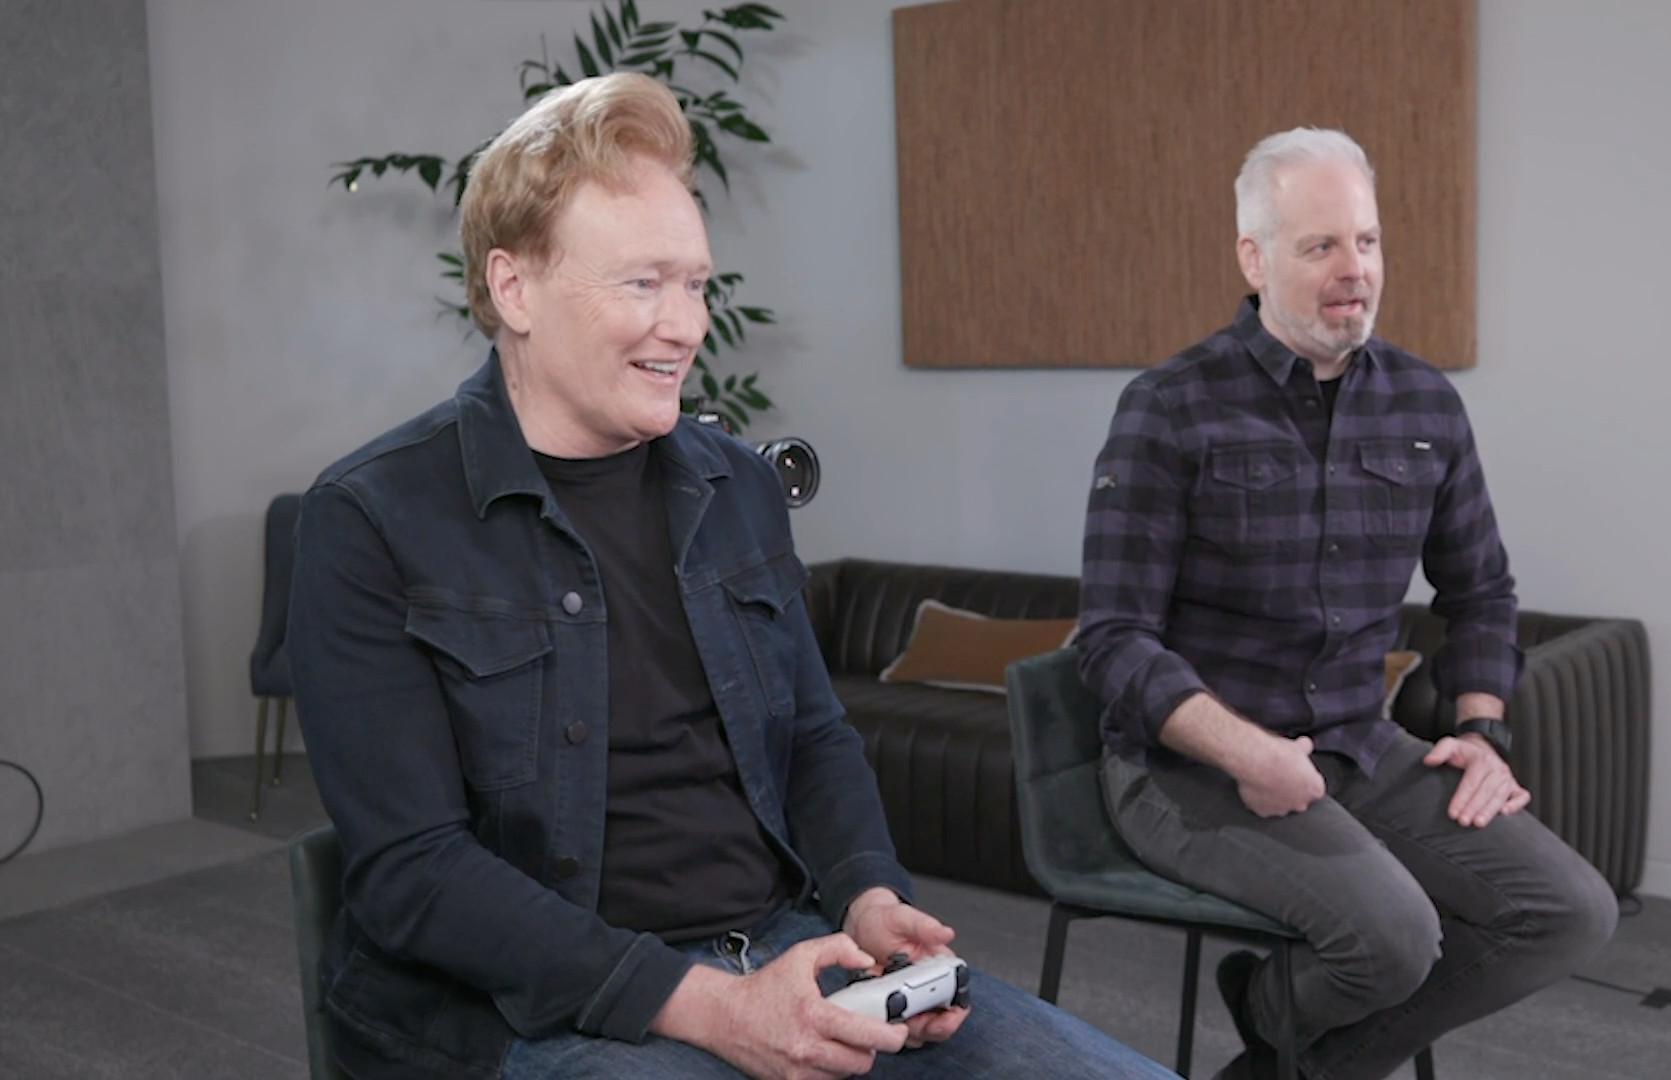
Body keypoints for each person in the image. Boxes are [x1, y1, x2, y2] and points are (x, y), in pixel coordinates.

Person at [288, 72, 1176, 1080]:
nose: (686, 326)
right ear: (513, 287)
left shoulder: (738, 487)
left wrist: (867, 894)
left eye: (695, 283)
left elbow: (813, 737)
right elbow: (415, 873)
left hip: (782, 948)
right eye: (642, 284)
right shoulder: (370, 518)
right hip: (535, 1011)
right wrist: (712, 1007)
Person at [1076, 127, 1618, 1080]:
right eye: (1320, 245)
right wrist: (1246, 751)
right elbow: (1112, 640)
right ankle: (1282, 1028)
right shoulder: (1170, 406)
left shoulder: (1425, 405)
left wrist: (1480, 731)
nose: (1354, 269)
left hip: (1356, 746)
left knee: (1571, 912)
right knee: (1396, 937)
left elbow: (1482, 591)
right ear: (1255, 258)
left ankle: (1274, 1032)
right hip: (1187, 765)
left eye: (1366, 242)